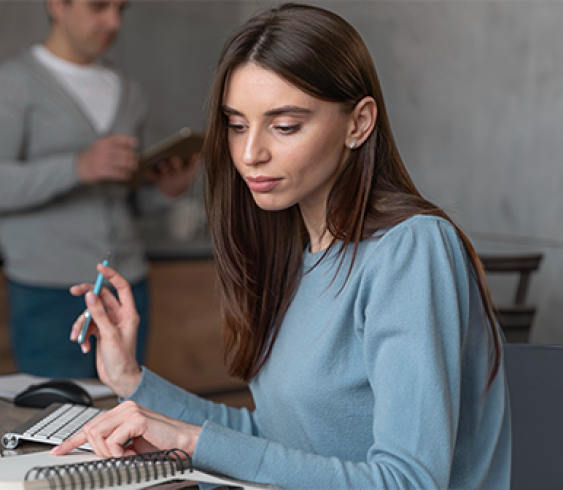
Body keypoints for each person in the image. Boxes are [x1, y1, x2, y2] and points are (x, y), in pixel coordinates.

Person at [52, 4, 512, 488]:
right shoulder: (295, 254)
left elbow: (407, 482)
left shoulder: (410, 250)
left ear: (358, 123)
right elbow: (275, 441)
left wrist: (190, 442)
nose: (250, 154)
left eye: (285, 126)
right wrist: (132, 383)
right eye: (236, 124)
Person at [0, 0, 198, 378]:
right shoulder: (11, 85)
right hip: (49, 292)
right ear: (56, 5)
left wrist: (167, 191)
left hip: (128, 285)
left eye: (120, 9)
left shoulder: (129, 92)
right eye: (99, 7)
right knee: (57, 422)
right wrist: (76, 167)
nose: (112, 21)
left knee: (123, 414)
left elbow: (125, 200)